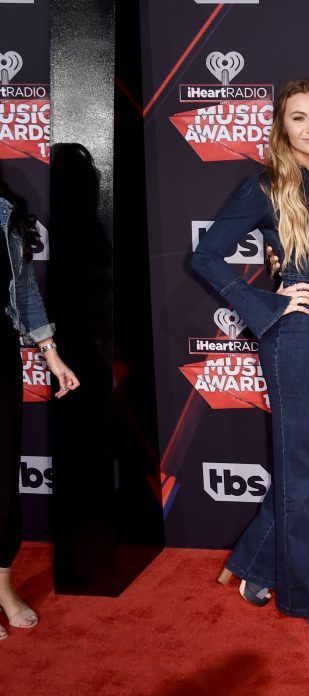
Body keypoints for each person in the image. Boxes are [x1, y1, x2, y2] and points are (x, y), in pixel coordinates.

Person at [193, 79, 309, 625]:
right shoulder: (265, 187)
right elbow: (206, 256)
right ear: (281, 126)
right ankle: (307, 594)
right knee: (299, 462)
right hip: (294, 334)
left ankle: (252, 564)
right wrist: (267, 302)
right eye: (298, 118)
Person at [0, 171, 79, 639]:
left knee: (1, 479)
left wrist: (51, 354)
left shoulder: (5, 208)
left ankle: (4, 589)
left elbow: (23, 287)